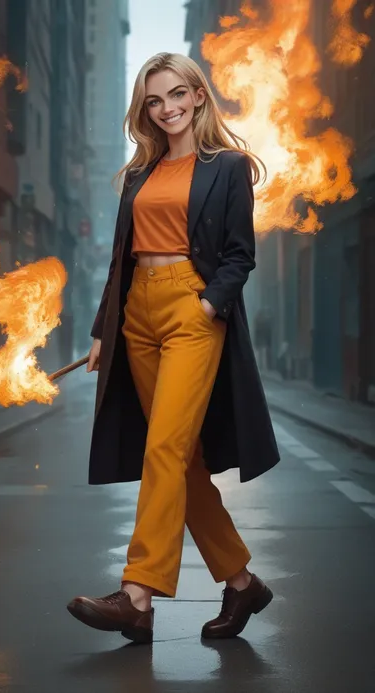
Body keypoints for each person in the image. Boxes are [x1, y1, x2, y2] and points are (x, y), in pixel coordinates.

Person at [67, 53, 280, 645]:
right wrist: (103, 329)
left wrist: (207, 304)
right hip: (137, 313)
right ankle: (241, 583)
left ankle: (137, 595)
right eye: (154, 101)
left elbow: (240, 254)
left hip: (192, 308)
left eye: (177, 95)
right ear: (146, 110)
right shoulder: (139, 175)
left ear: (198, 95)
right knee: (181, 463)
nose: (167, 109)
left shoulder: (227, 167)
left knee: (163, 445)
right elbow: (119, 260)